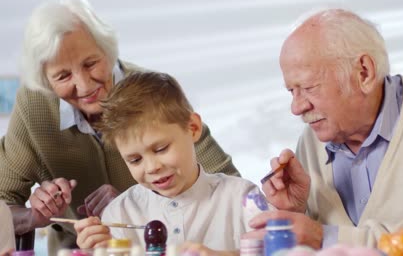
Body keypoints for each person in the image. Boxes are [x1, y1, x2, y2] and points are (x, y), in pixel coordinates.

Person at [0, 0, 238, 253]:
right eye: (63, 76)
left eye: (91, 63)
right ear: (45, 79)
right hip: (79, 247)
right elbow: (4, 199)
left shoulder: (151, 93)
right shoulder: (33, 106)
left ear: (108, 50)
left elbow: (223, 186)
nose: (84, 85)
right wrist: (34, 217)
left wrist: (139, 204)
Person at [247, 9, 403, 255]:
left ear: (364, 72)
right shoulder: (312, 141)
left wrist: (325, 237)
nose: (297, 107)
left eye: (308, 87)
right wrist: (296, 213)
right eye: (292, 91)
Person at [74, 71, 265, 255]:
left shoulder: (243, 198)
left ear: (193, 128)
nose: (151, 167)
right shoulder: (119, 214)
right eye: (135, 160)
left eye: (161, 149)